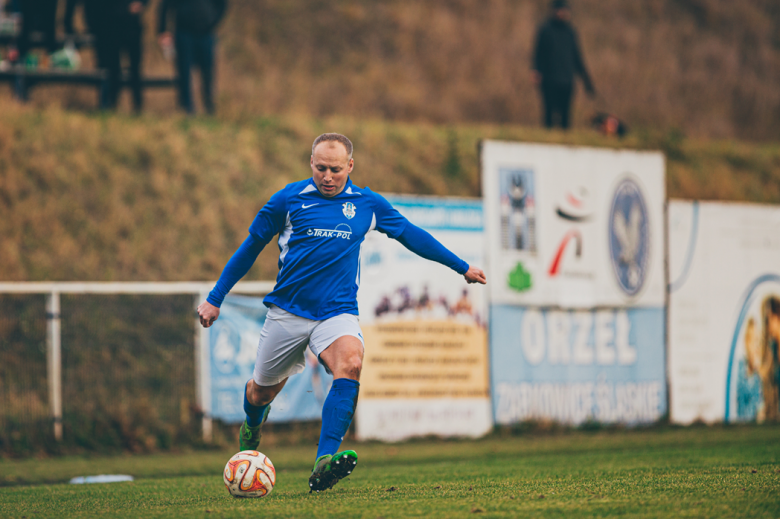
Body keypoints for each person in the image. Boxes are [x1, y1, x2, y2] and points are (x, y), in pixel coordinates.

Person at [197, 133, 487, 492]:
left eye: (336, 169)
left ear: (350, 166)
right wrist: (215, 297)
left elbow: (411, 235)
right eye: (321, 168)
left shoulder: (367, 204)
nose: (328, 176)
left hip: (337, 312)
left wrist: (461, 267)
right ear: (311, 164)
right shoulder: (287, 200)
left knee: (350, 363)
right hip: (288, 311)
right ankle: (251, 427)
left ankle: (323, 463)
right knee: (260, 394)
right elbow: (249, 248)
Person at [531, 0, 595, 130]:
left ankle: (565, 141)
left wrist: (587, 81)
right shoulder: (545, 30)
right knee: (549, 112)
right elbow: (538, 53)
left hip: (567, 80)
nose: (561, 13)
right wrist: (536, 71)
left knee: (565, 115)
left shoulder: (570, 32)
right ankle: (548, 139)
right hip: (549, 79)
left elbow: (577, 57)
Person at [157, 0, 227, 115]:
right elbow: (165, 5)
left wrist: (213, 21)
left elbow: (222, 5)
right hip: (183, 32)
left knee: (208, 72)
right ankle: (187, 109)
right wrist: (163, 30)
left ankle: (209, 108)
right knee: (184, 72)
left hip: (206, 33)